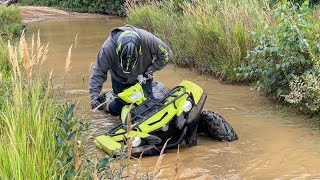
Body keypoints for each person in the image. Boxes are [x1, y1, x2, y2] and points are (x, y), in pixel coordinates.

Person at [89, 24, 172, 116]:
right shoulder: (108, 48)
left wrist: (151, 69)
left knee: (148, 105)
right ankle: (106, 105)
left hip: (143, 77)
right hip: (120, 79)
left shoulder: (148, 39)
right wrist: (94, 96)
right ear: (118, 50)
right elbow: (98, 72)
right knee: (119, 109)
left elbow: (166, 54)